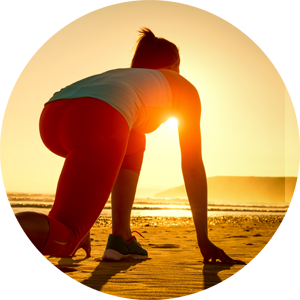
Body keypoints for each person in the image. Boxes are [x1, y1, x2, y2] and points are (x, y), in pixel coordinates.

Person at [0, 26, 246, 300]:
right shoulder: (183, 87)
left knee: (134, 139)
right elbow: (191, 163)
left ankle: (120, 237)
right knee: (66, 234)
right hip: (100, 116)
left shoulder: (127, 78)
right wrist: (203, 239)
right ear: (175, 63)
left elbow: (90, 158)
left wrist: (87, 218)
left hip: (53, 115)